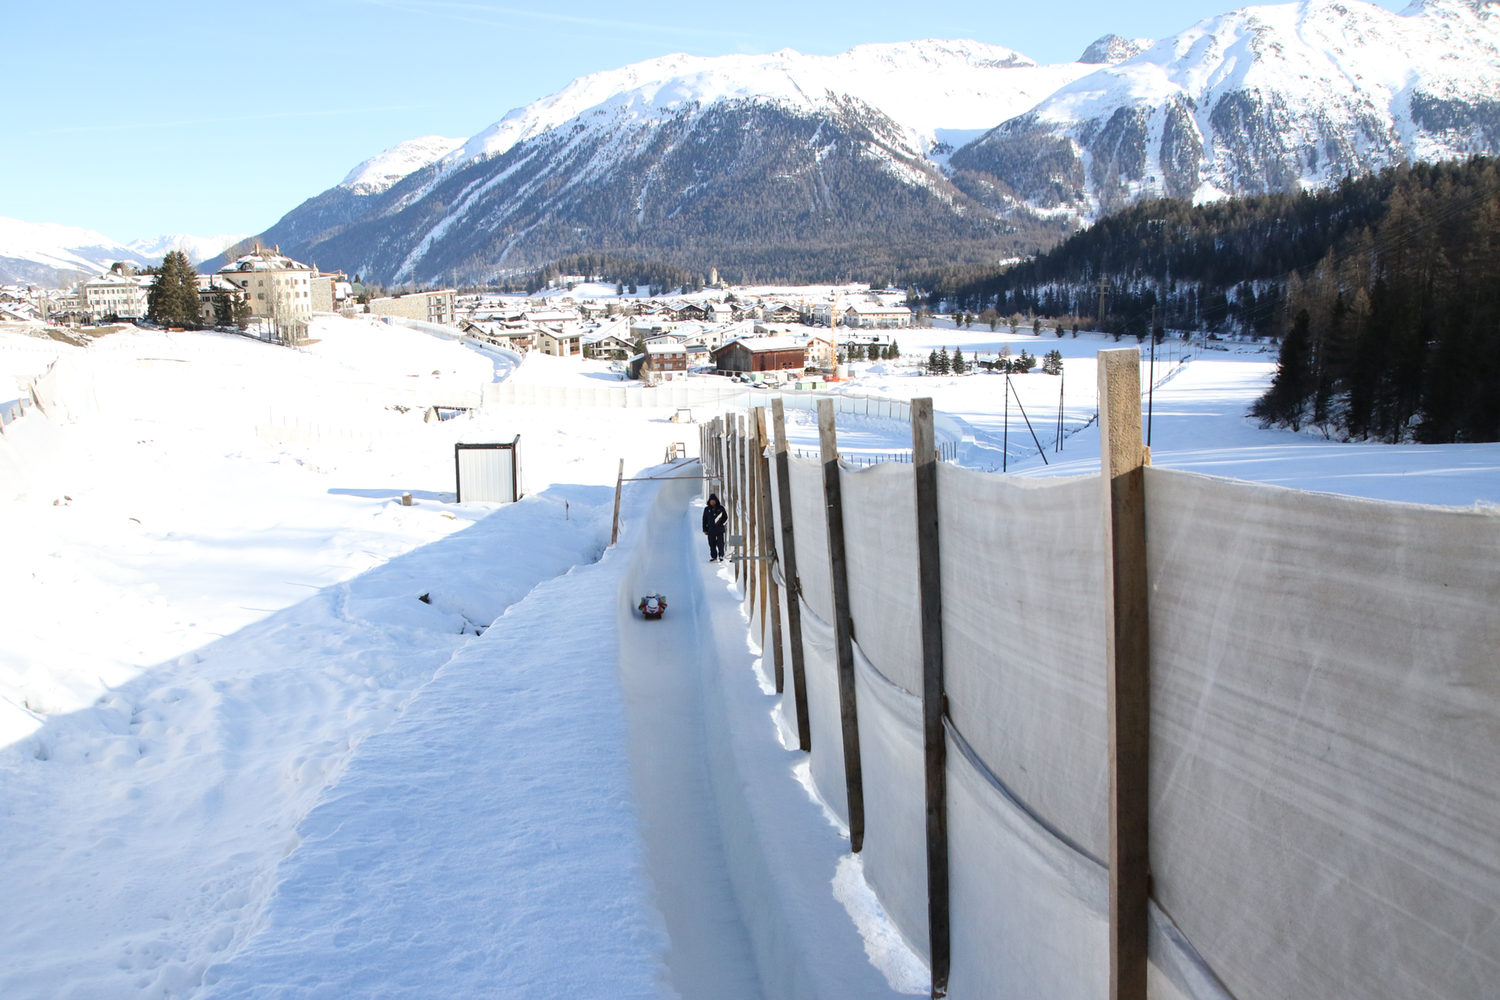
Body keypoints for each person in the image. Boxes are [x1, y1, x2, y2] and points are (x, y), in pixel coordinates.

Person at [702, 493, 728, 562]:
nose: (712, 502)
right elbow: (704, 520)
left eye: (713, 501)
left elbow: (725, 517)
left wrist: (722, 524)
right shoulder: (707, 510)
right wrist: (705, 529)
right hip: (710, 530)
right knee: (712, 544)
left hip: (719, 530)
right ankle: (714, 556)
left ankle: (721, 555)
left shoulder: (721, 508)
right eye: (711, 501)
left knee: (720, 543)